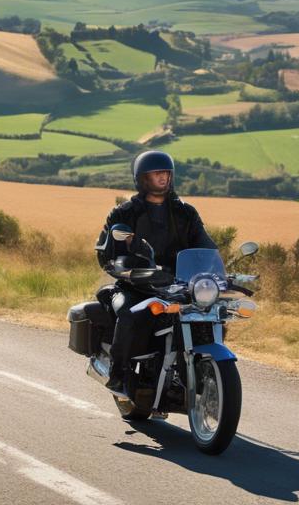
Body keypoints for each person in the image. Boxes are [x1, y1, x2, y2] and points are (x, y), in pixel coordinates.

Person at [93, 150, 216, 394]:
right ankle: (118, 375)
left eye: (166, 173)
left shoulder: (186, 212)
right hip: (135, 284)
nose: (162, 178)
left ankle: (197, 372)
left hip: (178, 284)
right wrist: (123, 268)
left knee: (209, 315)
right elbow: (106, 253)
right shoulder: (124, 212)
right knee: (128, 314)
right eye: (156, 173)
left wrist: (216, 267)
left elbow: (205, 245)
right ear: (142, 178)